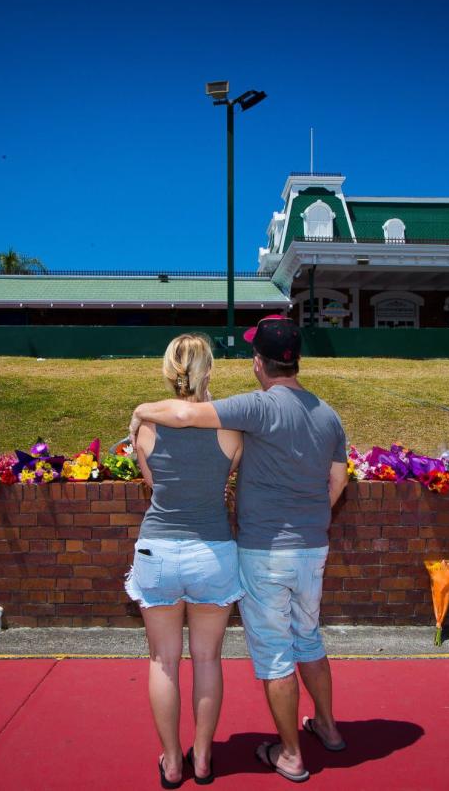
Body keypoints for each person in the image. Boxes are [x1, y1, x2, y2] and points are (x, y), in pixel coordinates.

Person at [131, 315, 349, 784]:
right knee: (299, 640)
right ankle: (224, 753)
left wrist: (142, 411)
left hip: (209, 549)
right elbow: (337, 480)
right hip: (289, 548)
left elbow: (163, 464)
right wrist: (310, 517)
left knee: (172, 660)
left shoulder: (245, 410)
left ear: (259, 362)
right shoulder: (319, 416)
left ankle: (182, 762)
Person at [125, 333, 244, 789]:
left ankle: (172, 762)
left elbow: (152, 484)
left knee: (163, 662)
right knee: (209, 659)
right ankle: (203, 759)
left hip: (158, 548)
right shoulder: (231, 427)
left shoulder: (145, 426)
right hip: (213, 550)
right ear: (208, 369)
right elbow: (230, 476)